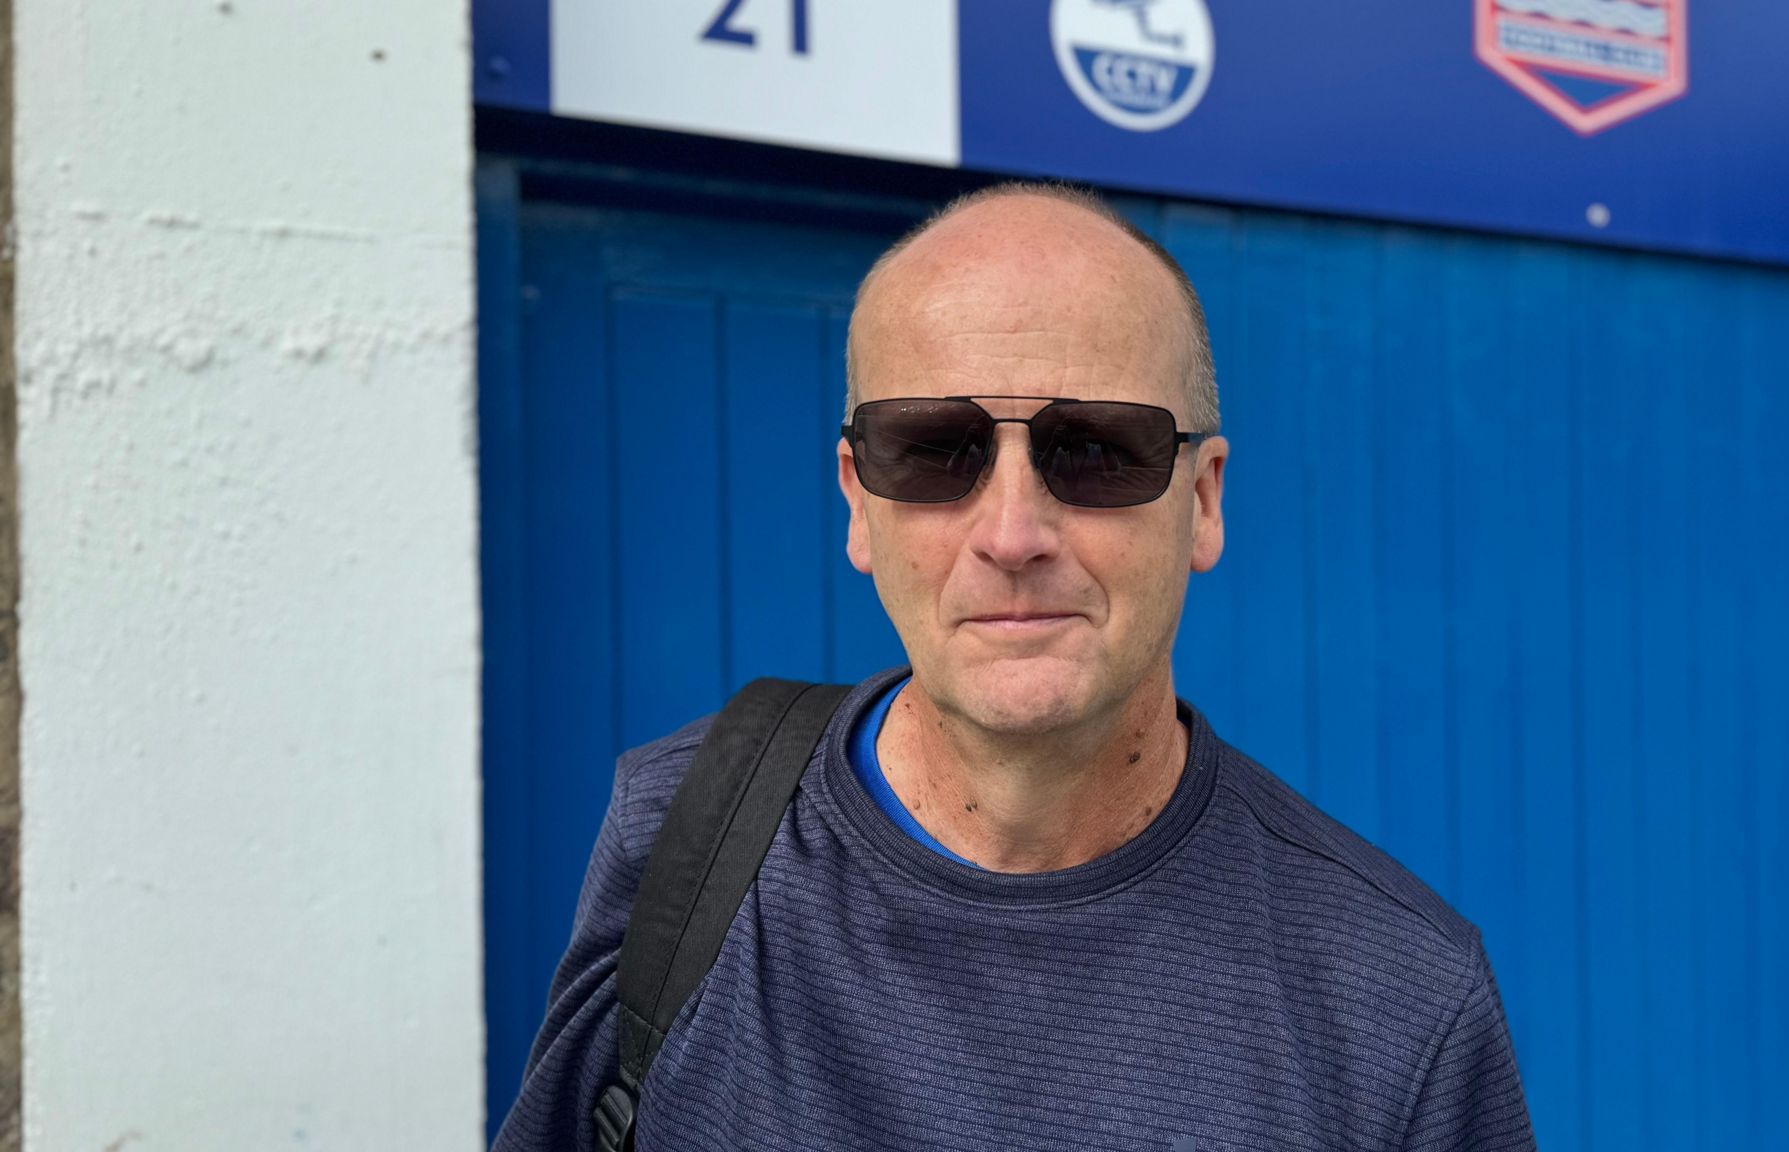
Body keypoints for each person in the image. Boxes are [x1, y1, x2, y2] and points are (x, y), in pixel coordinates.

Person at [492, 182, 1535, 1151]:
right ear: (857, 501)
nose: (1010, 532)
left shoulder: (1398, 997)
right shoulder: (682, 833)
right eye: (935, 450)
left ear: (1203, 500)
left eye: (1092, 449)